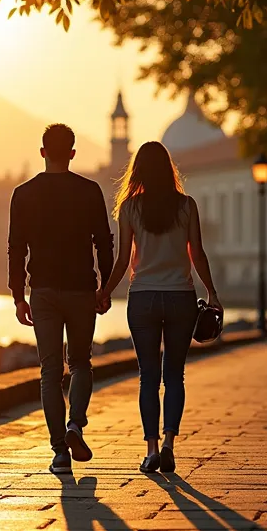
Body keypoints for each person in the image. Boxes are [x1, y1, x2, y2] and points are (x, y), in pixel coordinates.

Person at [97, 141, 220, 475]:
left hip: (143, 299)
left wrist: (104, 292)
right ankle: (169, 444)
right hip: (181, 297)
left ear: (138, 171)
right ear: (169, 170)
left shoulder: (130, 209)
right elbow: (197, 254)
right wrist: (212, 292)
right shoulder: (187, 206)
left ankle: (151, 451)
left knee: (148, 377)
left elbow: (123, 260)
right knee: (174, 375)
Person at [8, 123, 113, 475]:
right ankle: (75, 426)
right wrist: (107, 287)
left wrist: (17, 294)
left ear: (42, 153)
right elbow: (104, 242)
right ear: (72, 153)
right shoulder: (89, 191)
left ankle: (59, 452)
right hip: (82, 288)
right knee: (81, 362)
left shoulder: (23, 194)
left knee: (50, 371)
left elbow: (16, 248)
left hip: (44, 292)